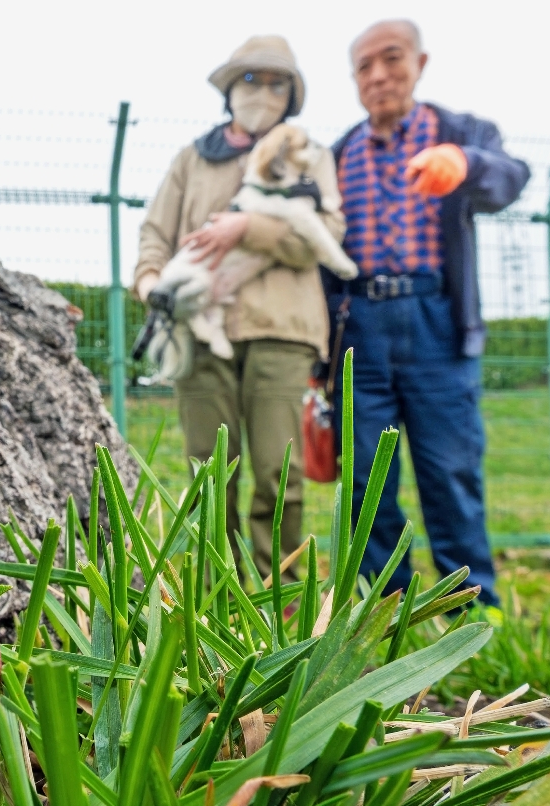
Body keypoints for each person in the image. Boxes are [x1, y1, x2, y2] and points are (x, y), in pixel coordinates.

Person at [328, 20, 530, 606]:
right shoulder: (340, 152)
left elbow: (511, 179)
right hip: (357, 328)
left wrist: (464, 163)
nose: (378, 74)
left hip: (436, 321)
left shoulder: (460, 132)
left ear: (420, 62)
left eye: (391, 59)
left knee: (450, 472)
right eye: (363, 66)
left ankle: (470, 609)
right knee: (366, 478)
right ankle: (381, 608)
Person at [134, 35, 345, 575]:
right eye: (250, 79)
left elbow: (325, 233)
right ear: (229, 89)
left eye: (277, 82)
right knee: (209, 473)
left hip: (282, 330)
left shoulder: (309, 157)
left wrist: (249, 228)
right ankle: (216, 600)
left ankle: (285, 598)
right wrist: (151, 284)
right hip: (199, 331)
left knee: (280, 471)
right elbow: (156, 232)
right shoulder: (192, 160)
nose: (262, 92)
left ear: (292, 95)